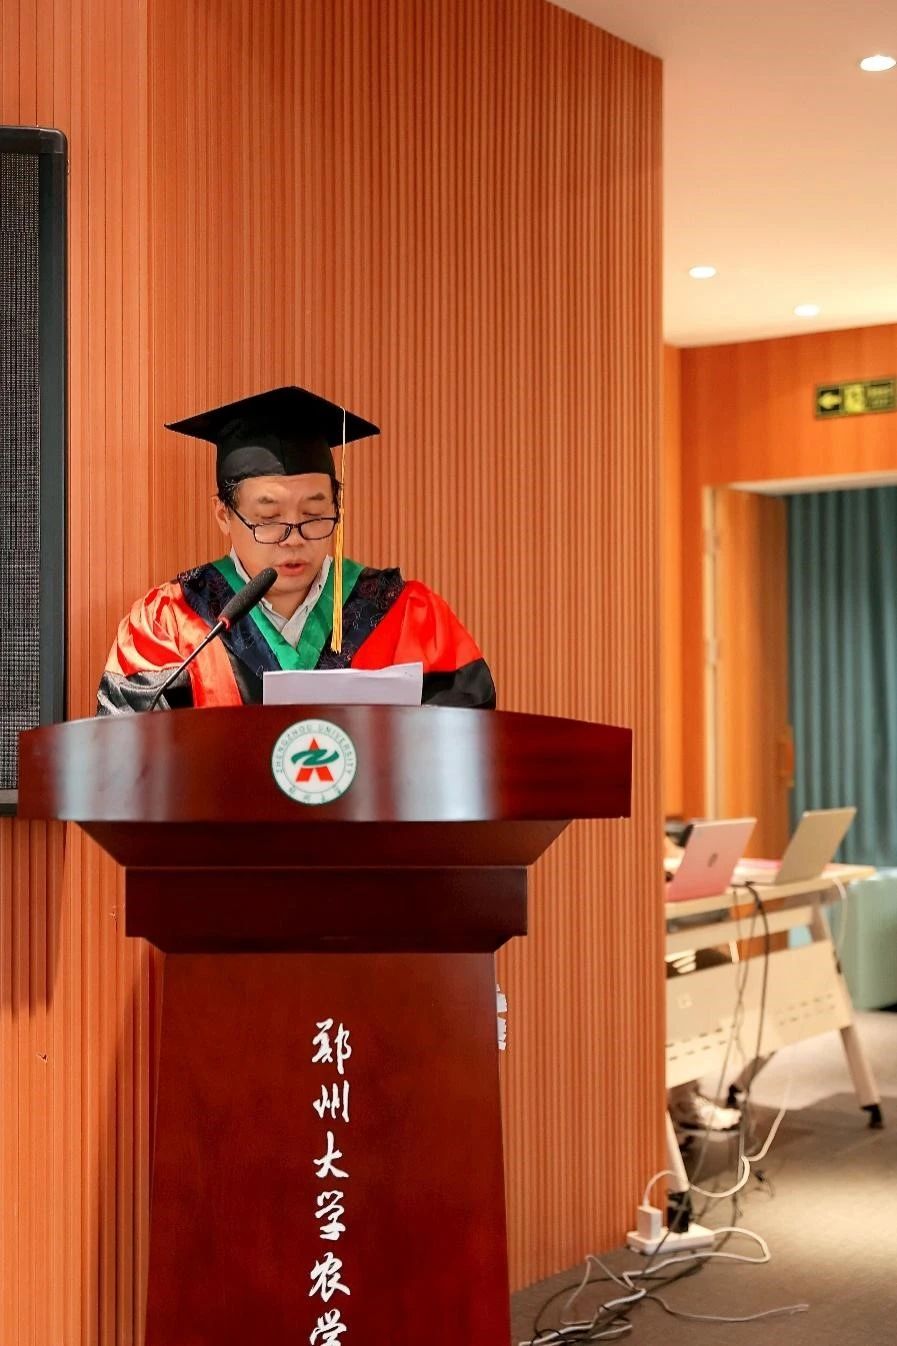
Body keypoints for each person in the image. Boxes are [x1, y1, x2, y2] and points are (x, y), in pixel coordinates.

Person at [98, 386, 496, 714]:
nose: (294, 538)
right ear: (224, 515)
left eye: (314, 514)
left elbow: (466, 747)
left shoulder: (406, 615)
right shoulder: (170, 624)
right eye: (269, 518)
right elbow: (131, 756)